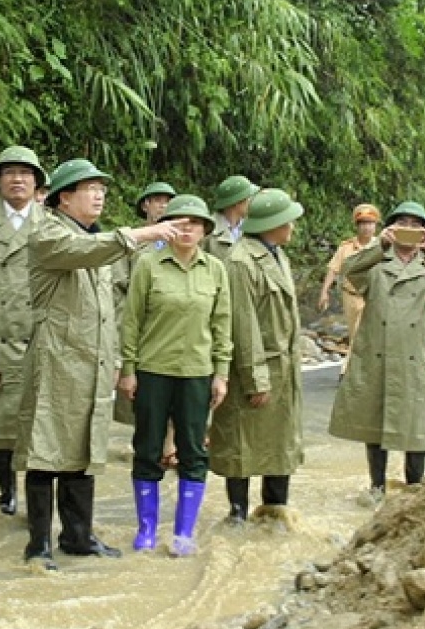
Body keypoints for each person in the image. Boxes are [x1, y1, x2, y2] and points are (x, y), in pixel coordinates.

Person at [15, 158, 182, 571]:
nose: (99, 194)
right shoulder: (48, 232)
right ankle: (37, 546)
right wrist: (145, 233)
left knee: (84, 448)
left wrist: (117, 361)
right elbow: (83, 252)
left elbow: (108, 311)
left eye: (102, 188)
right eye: (89, 188)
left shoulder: (93, 237)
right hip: (55, 361)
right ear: (64, 198)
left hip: (91, 362)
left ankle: (78, 536)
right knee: (44, 450)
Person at [328, 201, 425, 503]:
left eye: (417, 224)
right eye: (402, 222)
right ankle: (376, 487)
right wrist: (379, 245)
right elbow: (349, 272)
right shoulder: (376, 261)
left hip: (416, 357)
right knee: (375, 425)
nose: (409, 229)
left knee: (416, 426)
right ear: (391, 227)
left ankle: (413, 491)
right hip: (377, 352)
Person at [119, 195, 232, 555]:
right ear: (167, 228)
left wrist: (221, 373)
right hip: (153, 370)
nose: (187, 229)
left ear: (204, 231)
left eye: (194, 224)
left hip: (197, 373)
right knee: (148, 448)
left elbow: (222, 325)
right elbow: (132, 321)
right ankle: (147, 529)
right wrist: (128, 369)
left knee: (193, 451)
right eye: (179, 223)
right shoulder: (148, 266)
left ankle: (184, 532)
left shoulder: (215, 269)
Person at [209, 188, 305, 523]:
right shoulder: (240, 262)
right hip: (257, 369)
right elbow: (243, 325)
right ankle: (237, 517)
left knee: (280, 445)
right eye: (288, 220)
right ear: (272, 223)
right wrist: (255, 379)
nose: (293, 226)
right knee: (242, 446)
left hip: (283, 367)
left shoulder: (278, 255)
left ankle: (274, 515)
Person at [0, 146, 47, 516]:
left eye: (25, 173)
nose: (18, 179)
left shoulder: (50, 225)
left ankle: (37, 496)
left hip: (39, 336)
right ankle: (4, 491)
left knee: (38, 418)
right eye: (9, 173)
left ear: (37, 183)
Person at [112, 181, 178, 461]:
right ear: (145, 206)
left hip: (173, 322)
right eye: (157, 200)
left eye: (167, 200)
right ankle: (149, 442)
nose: (162, 205)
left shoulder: (182, 239)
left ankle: (171, 445)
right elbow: (118, 286)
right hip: (140, 322)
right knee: (142, 388)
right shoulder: (133, 241)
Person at [318, 204, 381, 376]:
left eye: (370, 223)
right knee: (356, 333)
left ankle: (359, 370)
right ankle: (351, 370)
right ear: (357, 226)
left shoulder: (382, 247)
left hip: (375, 297)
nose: (367, 227)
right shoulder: (346, 247)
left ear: (375, 226)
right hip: (352, 296)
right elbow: (333, 269)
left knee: (373, 334)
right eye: (363, 223)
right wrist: (324, 292)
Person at [202, 175, 260, 261]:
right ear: (237, 202)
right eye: (249, 198)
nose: (252, 202)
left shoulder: (252, 229)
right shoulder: (208, 230)